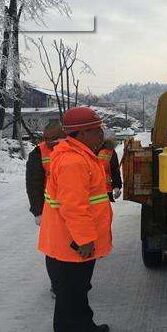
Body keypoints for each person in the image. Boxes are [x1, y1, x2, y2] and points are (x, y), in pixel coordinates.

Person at [38, 107, 112, 332]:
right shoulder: (74, 162)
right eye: (95, 130)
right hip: (73, 246)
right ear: (80, 133)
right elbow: (73, 208)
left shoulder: (78, 155)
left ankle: (85, 326)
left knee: (77, 293)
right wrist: (85, 239)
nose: (101, 135)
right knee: (70, 298)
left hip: (69, 245)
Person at [26, 121, 66, 226]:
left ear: (64, 135)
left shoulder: (73, 149)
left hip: (73, 207)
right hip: (51, 209)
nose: (48, 142)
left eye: (53, 138)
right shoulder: (38, 154)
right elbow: (34, 185)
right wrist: (38, 211)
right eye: (45, 138)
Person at [97, 137, 122, 202]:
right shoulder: (111, 153)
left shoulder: (93, 151)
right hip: (106, 190)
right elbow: (115, 171)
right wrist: (116, 186)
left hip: (95, 189)